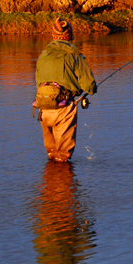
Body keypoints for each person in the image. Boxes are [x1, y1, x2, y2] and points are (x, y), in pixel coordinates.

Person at [34, 18, 97, 162]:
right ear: (70, 36)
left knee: (51, 154)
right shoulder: (74, 56)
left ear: (53, 36)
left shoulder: (43, 56)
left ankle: (50, 182)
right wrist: (88, 91)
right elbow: (90, 86)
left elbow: (38, 82)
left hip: (43, 108)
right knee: (62, 156)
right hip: (64, 108)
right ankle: (63, 183)